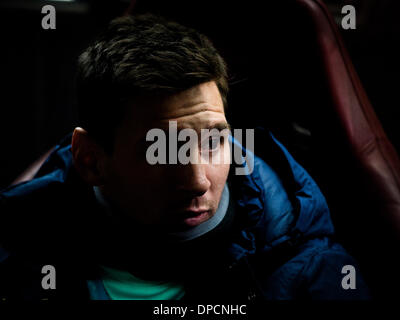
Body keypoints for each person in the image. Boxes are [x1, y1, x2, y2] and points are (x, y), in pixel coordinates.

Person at [0, 13, 370, 301]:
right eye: (160, 150)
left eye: (214, 141)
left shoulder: (306, 263)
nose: (197, 182)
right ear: (91, 161)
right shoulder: (19, 253)